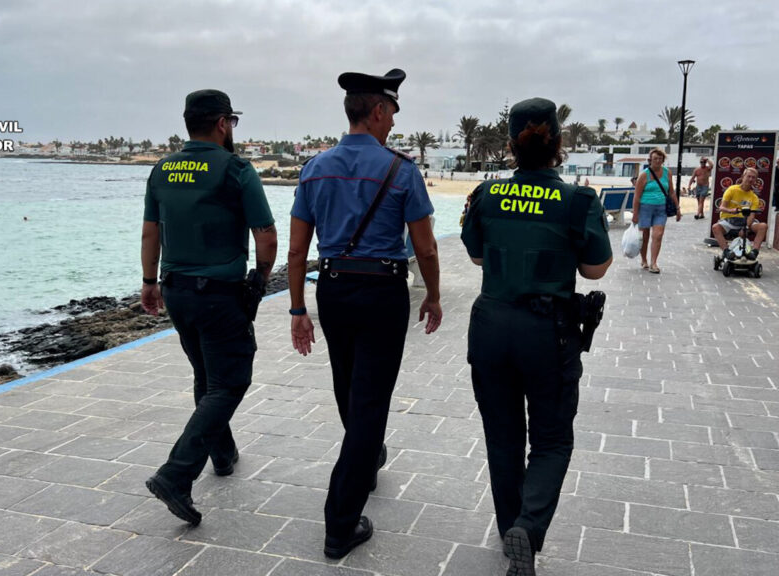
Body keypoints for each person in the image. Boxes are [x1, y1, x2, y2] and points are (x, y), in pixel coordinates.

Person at [288, 68, 442, 560]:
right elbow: (426, 248)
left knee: (347, 383)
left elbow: (296, 252)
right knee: (370, 402)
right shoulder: (401, 171)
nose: (394, 123)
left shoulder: (315, 168)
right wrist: (433, 297)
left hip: (333, 289)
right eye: (393, 113)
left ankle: (365, 454)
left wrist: (298, 308)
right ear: (377, 111)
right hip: (381, 293)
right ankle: (340, 523)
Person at [460, 98, 612, 576]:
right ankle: (530, 525)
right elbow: (595, 269)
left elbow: (478, 257)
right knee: (550, 440)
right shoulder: (578, 201)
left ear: (509, 146)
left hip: (491, 327)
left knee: (502, 439)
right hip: (547, 333)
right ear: (559, 145)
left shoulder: (485, 195)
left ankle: (512, 533)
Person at [140, 89, 277, 526]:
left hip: (175, 291)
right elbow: (267, 237)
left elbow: (150, 234)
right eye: (232, 122)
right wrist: (258, 281)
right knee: (230, 381)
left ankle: (223, 453)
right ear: (222, 123)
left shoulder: (162, 170)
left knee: (206, 375)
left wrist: (148, 282)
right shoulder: (236, 169)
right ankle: (176, 474)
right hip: (219, 295)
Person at [631, 148, 681, 273]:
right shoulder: (644, 175)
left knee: (658, 235)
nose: (658, 161)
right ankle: (644, 259)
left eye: (660, 159)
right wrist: (635, 214)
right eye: (655, 159)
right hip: (645, 208)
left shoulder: (667, 172)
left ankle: (654, 263)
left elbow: (671, 191)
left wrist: (678, 208)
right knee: (645, 236)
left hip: (661, 208)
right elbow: (637, 196)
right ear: (650, 160)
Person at [713, 167, 766, 260]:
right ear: (743, 177)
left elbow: (752, 215)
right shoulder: (732, 189)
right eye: (748, 176)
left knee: (763, 226)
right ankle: (727, 252)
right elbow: (721, 207)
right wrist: (731, 210)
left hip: (745, 221)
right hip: (729, 220)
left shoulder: (754, 197)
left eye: (753, 178)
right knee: (715, 227)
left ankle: (754, 252)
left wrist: (745, 228)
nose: (750, 179)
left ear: (755, 181)